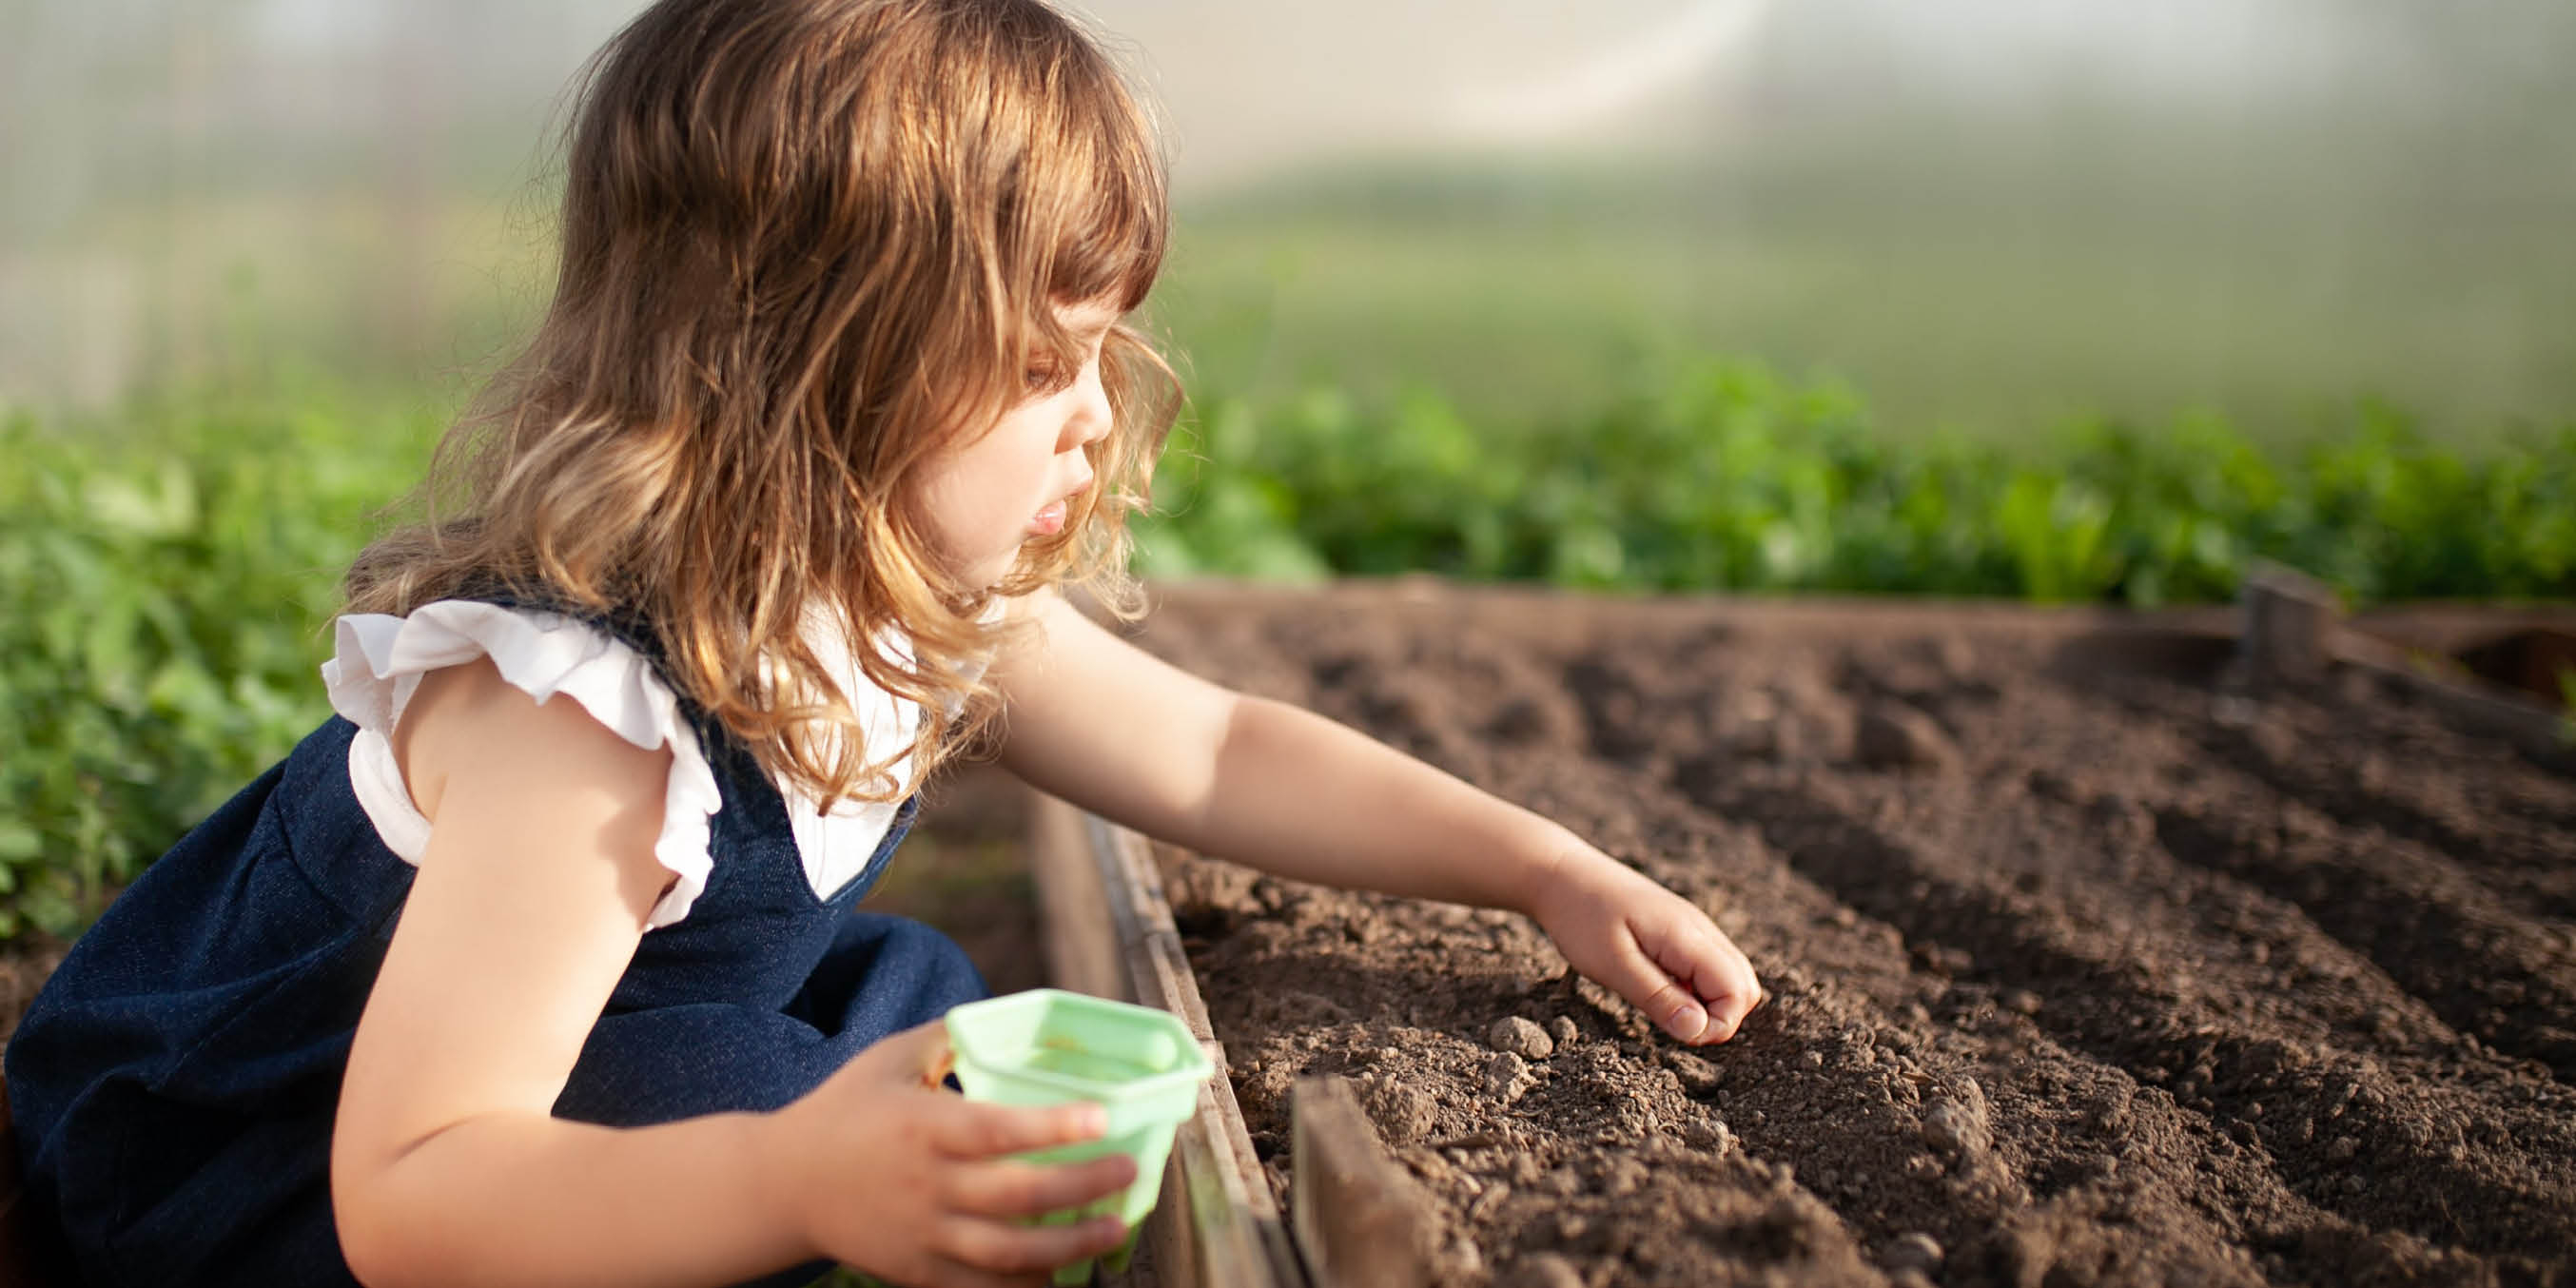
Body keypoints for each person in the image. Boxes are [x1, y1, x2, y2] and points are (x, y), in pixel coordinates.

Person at [2, 1, 1765, 1285]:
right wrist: (789, 1184)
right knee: (789, 1089)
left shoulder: (913, 608)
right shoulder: (588, 731)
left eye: (1103, 348)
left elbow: (1214, 753)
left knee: (924, 1014)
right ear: (822, 369)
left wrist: (1537, 868)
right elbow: (413, 1193)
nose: (1096, 415)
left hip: (561, 1074)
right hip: (266, 1168)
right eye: (1039, 360)